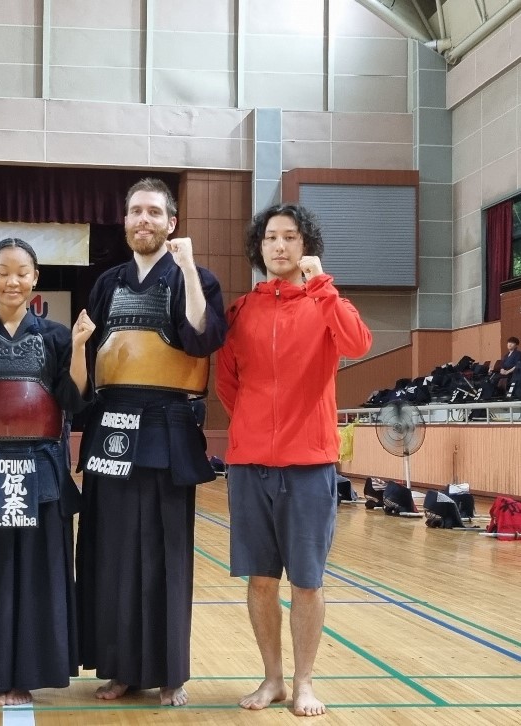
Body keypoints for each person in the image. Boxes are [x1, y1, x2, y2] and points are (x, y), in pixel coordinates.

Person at [217, 203, 371, 717]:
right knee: (261, 579)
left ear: (306, 246)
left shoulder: (327, 303)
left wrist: (322, 286)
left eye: (290, 237)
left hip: (310, 466)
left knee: (307, 582)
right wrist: (257, 426)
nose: (279, 246)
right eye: (270, 238)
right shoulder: (241, 311)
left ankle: (305, 682)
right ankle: (273, 679)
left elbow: (358, 343)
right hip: (249, 465)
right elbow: (228, 384)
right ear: (259, 247)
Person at [78, 178, 226, 706]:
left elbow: (202, 339)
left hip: (166, 426)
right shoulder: (107, 283)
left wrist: (187, 269)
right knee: (112, 553)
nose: (144, 219)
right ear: (125, 221)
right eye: (135, 211)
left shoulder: (196, 278)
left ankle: (169, 673)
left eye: (154, 212)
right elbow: (92, 354)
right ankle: (120, 668)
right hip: (112, 426)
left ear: (172, 223)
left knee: (166, 553)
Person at [0, 239, 93, 706]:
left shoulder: (55, 335)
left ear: (35, 278)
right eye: (3, 271)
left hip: (40, 468)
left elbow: (73, 400)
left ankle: (28, 674)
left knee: (37, 572)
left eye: (22, 272)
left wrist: (78, 348)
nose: (12, 281)